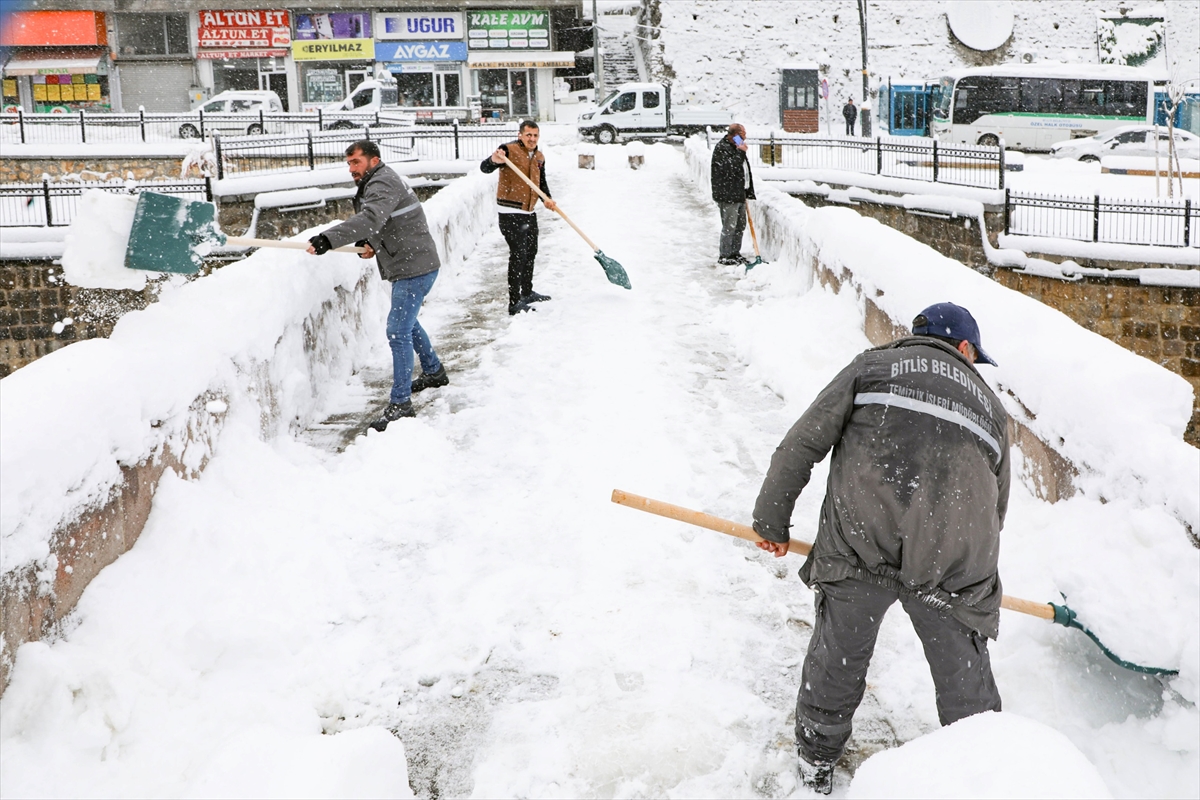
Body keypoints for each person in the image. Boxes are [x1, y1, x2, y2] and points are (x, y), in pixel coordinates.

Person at [752, 302, 1010, 795]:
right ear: (963, 347)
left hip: (861, 545)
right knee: (965, 680)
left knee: (840, 653)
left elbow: (802, 443)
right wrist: (967, 579)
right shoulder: (993, 410)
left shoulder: (871, 367)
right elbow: (995, 510)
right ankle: (985, 773)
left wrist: (772, 521)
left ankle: (816, 761)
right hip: (951, 564)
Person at [307, 139, 448, 431]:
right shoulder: (380, 179)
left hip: (413, 267)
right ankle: (434, 372)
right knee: (407, 324)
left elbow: (371, 218)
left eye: (356, 162)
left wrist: (328, 239)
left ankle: (400, 404)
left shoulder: (382, 182)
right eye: (348, 163)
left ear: (374, 160)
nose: (351, 169)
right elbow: (386, 220)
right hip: (411, 263)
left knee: (397, 331)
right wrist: (370, 242)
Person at [480, 120, 558, 315]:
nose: (532, 139)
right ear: (520, 134)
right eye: (528, 135)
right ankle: (514, 302)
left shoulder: (539, 156)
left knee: (531, 252)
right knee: (518, 254)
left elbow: (541, 182)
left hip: (529, 211)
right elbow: (485, 167)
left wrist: (547, 199)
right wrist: (494, 160)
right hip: (510, 212)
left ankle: (527, 291)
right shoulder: (508, 150)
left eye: (535, 135)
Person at [710, 123, 756, 266]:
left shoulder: (735, 147)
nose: (745, 138)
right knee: (729, 225)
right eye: (742, 135)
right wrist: (741, 151)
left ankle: (735, 253)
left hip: (738, 192)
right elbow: (730, 169)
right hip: (727, 194)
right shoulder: (722, 148)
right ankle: (725, 255)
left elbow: (743, 170)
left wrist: (748, 190)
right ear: (735, 135)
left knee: (740, 225)